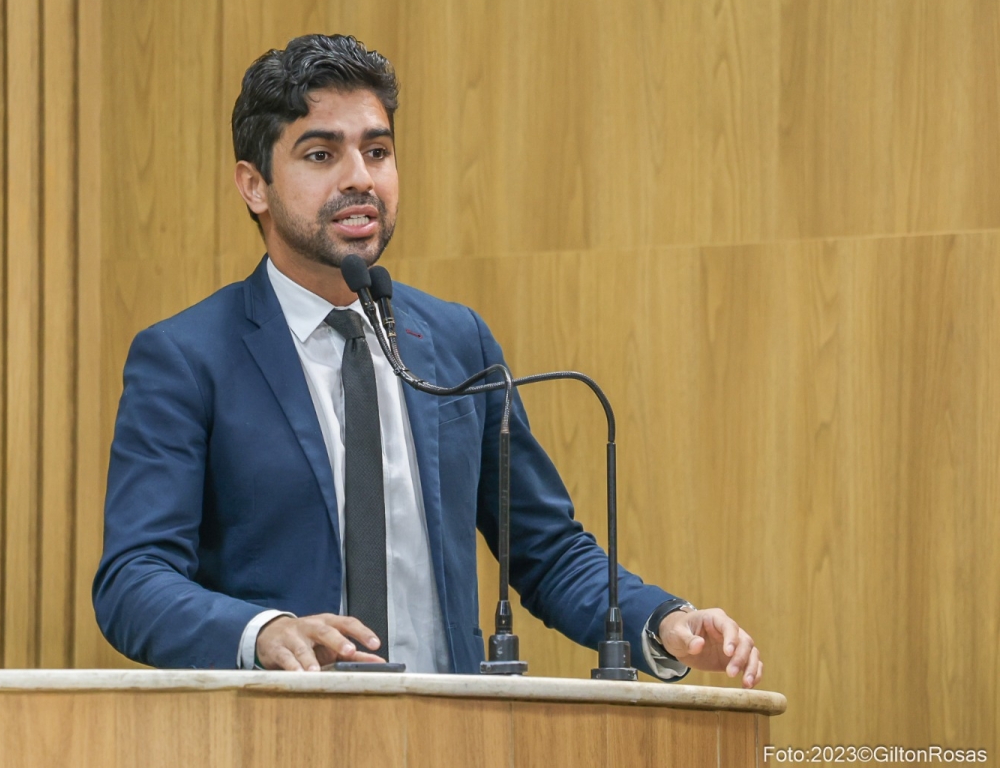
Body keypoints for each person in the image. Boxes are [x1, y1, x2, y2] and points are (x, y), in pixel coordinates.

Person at [93, 34, 764, 687]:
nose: (361, 178)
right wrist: (263, 630)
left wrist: (662, 620)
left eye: (377, 151)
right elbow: (133, 580)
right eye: (321, 154)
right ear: (254, 185)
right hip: (279, 735)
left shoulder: (455, 339)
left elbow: (546, 549)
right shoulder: (187, 356)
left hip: (449, 731)